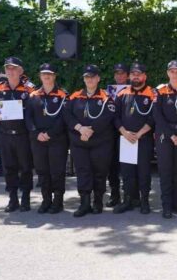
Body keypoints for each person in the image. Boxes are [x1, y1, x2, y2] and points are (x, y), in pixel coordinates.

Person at [63, 65, 117, 217]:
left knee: (100, 172)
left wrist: (90, 130)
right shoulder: (75, 96)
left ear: (98, 78)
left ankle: (98, 202)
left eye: (93, 77)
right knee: (83, 172)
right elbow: (67, 115)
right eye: (87, 77)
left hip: (101, 142)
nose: (90, 80)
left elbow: (108, 117)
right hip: (79, 142)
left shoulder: (107, 97)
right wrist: (80, 129)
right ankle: (84, 203)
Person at [0, 57, 35, 212]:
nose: (10, 71)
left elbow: (35, 112)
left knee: (26, 167)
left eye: (14, 68)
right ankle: (13, 198)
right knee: (9, 168)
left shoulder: (30, 89)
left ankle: (26, 198)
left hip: (23, 135)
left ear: (21, 71)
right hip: (5, 134)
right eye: (8, 68)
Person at [24, 64, 68, 214]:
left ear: (54, 76)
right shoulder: (33, 96)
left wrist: (50, 134)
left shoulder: (63, 95)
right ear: (40, 76)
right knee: (42, 171)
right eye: (44, 74)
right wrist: (36, 133)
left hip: (57, 140)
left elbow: (63, 119)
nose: (47, 76)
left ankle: (58, 201)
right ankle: (46, 200)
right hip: (38, 140)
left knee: (57, 171)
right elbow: (28, 117)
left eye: (49, 74)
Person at [113, 62, 156, 214]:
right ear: (129, 76)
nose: (136, 76)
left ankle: (144, 201)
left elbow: (153, 118)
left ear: (145, 76)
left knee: (144, 171)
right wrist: (124, 132)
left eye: (139, 74)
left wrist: (139, 134)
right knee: (127, 172)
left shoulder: (153, 94)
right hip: (126, 139)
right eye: (133, 74)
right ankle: (128, 200)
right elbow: (115, 116)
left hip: (143, 139)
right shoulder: (122, 93)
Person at [154, 60, 177, 219]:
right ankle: (166, 205)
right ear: (168, 73)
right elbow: (157, 116)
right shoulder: (160, 91)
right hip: (165, 136)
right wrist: (171, 134)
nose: (175, 74)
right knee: (165, 171)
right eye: (172, 71)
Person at [105, 63, 129, 208]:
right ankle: (115, 195)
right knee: (112, 166)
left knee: (128, 165)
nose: (119, 76)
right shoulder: (109, 91)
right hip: (111, 133)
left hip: (127, 132)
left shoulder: (133, 89)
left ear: (127, 75)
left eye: (122, 73)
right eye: (117, 73)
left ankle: (130, 195)